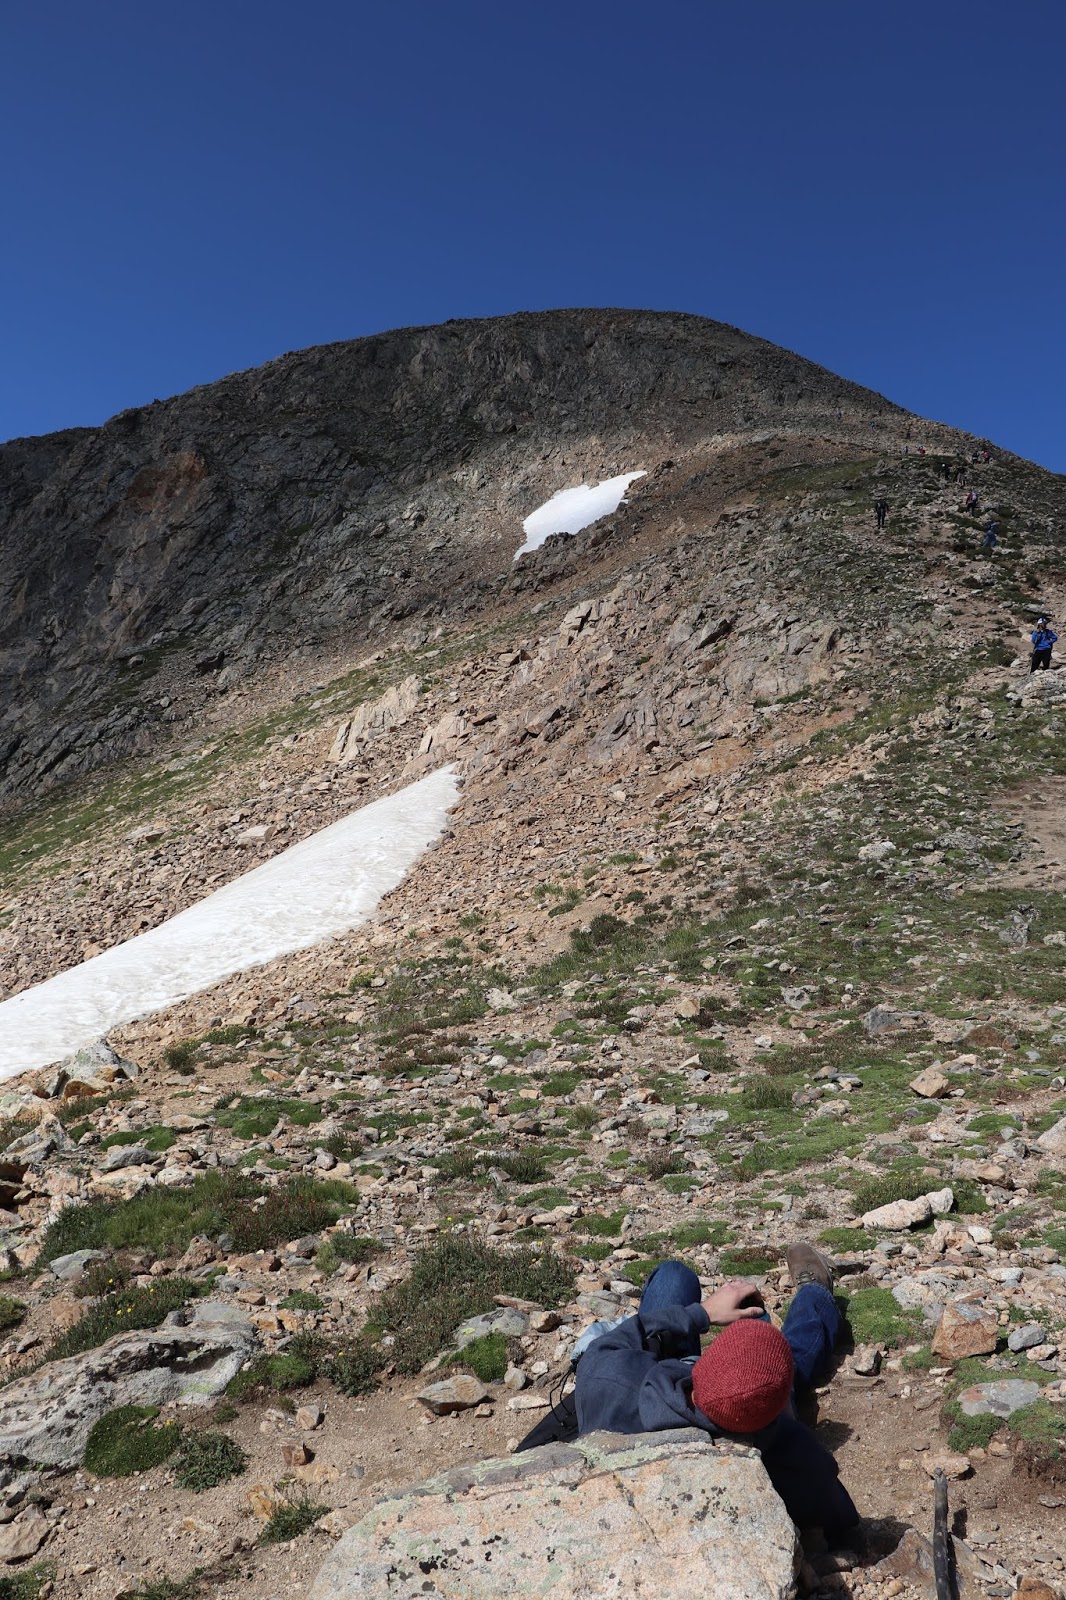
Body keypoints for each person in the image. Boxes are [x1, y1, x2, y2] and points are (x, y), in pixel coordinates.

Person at [572, 1242, 858, 1538]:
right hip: (747, 1417)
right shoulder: (784, 1444)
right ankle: (816, 1294)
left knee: (674, 1275)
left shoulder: (608, 1376)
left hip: (647, 1385)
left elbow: (624, 1336)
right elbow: (841, 1514)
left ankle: (784, 1312)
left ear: (708, 1361)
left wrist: (703, 1314)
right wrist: (783, 1412)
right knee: (793, 1354)